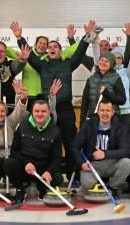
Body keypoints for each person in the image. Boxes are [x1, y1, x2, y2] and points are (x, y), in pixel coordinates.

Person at [24, 20, 96, 187]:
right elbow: (29, 53)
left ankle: (73, 177)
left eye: (55, 46)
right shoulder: (41, 65)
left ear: (60, 51)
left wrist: (86, 36)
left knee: (70, 143)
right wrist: (20, 37)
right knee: (48, 143)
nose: (52, 48)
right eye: (50, 47)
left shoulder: (68, 64)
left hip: (65, 109)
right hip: (48, 110)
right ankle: (51, 177)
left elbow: (79, 52)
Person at [9, 22, 84, 110]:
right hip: (29, 96)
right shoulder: (31, 58)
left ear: (60, 51)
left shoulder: (57, 61)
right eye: (40, 43)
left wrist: (75, 38)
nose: (43, 45)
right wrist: (19, 37)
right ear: (35, 44)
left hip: (52, 101)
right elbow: (16, 51)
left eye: (45, 44)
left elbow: (76, 50)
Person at [4, 100, 63, 205]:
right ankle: (20, 189)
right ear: (32, 112)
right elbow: (14, 151)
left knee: (58, 178)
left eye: (43, 111)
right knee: (9, 163)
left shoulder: (56, 131)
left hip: (43, 170)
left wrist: (49, 171)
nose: (40, 114)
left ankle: (42, 187)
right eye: (37, 111)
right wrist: (26, 163)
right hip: (25, 168)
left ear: (49, 112)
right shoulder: (22, 126)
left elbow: (57, 158)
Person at [72, 100, 130, 199]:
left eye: (108, 110)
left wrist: (105, 154)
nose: (105, 113)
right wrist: (82, 163)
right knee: (87, 184)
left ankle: (112, 187)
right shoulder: (88, 125)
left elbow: (126, 150)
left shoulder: (120, 127)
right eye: (102, 110)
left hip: (112, 163)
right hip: (92, 165)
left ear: (112, 112)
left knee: (127, 163)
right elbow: (75, 147)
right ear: (98, 112)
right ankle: (98, 184)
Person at [80, 51, 126, 123]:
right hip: (93, 118)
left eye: (106, 61)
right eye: (101, 60)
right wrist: (82, 122)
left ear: (111, 64)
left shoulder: (116, 78)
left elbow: (122, 100)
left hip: (111, 119)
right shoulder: (91, 79)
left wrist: (107, 93)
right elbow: (85, 103)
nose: (103, 63)